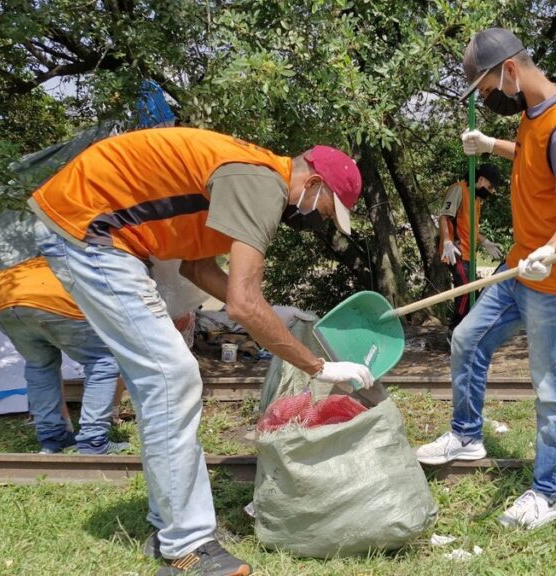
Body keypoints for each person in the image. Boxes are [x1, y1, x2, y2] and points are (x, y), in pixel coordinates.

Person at [29, 127, 374, 576]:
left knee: (162, 382)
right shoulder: (261, 183)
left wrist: (270, 317)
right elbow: (242, 303)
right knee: (173, 377)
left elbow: (198, 267)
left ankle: (170, 529)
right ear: (312, 185)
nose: (320, 222)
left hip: (97, 228)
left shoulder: (247, 182)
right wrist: (317, 365)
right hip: (90, 226)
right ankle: (186, 549)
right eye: (326, 212)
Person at [416, 28, 556, 530]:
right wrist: (490, 143)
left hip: (554, 276)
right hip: (520, 266)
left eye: (486, 88)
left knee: (551, 387)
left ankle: (549, 494)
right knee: (466, 339)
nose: (486, 97)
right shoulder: (534, 113)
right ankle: (467, 435)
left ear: (511, 72)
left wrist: (549, 250)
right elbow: (531, 158)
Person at [0, 256, 129, 454]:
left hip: (1, 296)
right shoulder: (95, 260)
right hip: (50, 296)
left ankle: (53, 439)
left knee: (39, 364)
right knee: (102, 362)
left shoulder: (46, 259)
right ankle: (93, 441)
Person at [437, 163, 505, 336]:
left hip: (469, 253)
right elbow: (444, 216)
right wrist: (447, 242)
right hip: (455, 250)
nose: (491, 192)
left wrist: (485, 241)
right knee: (466, 288)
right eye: (490, 187)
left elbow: (471, 229)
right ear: (480, 179)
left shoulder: (476, 200)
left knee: (473, 292)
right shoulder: (459, 189)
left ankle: (465, 330)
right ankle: (455, 330)